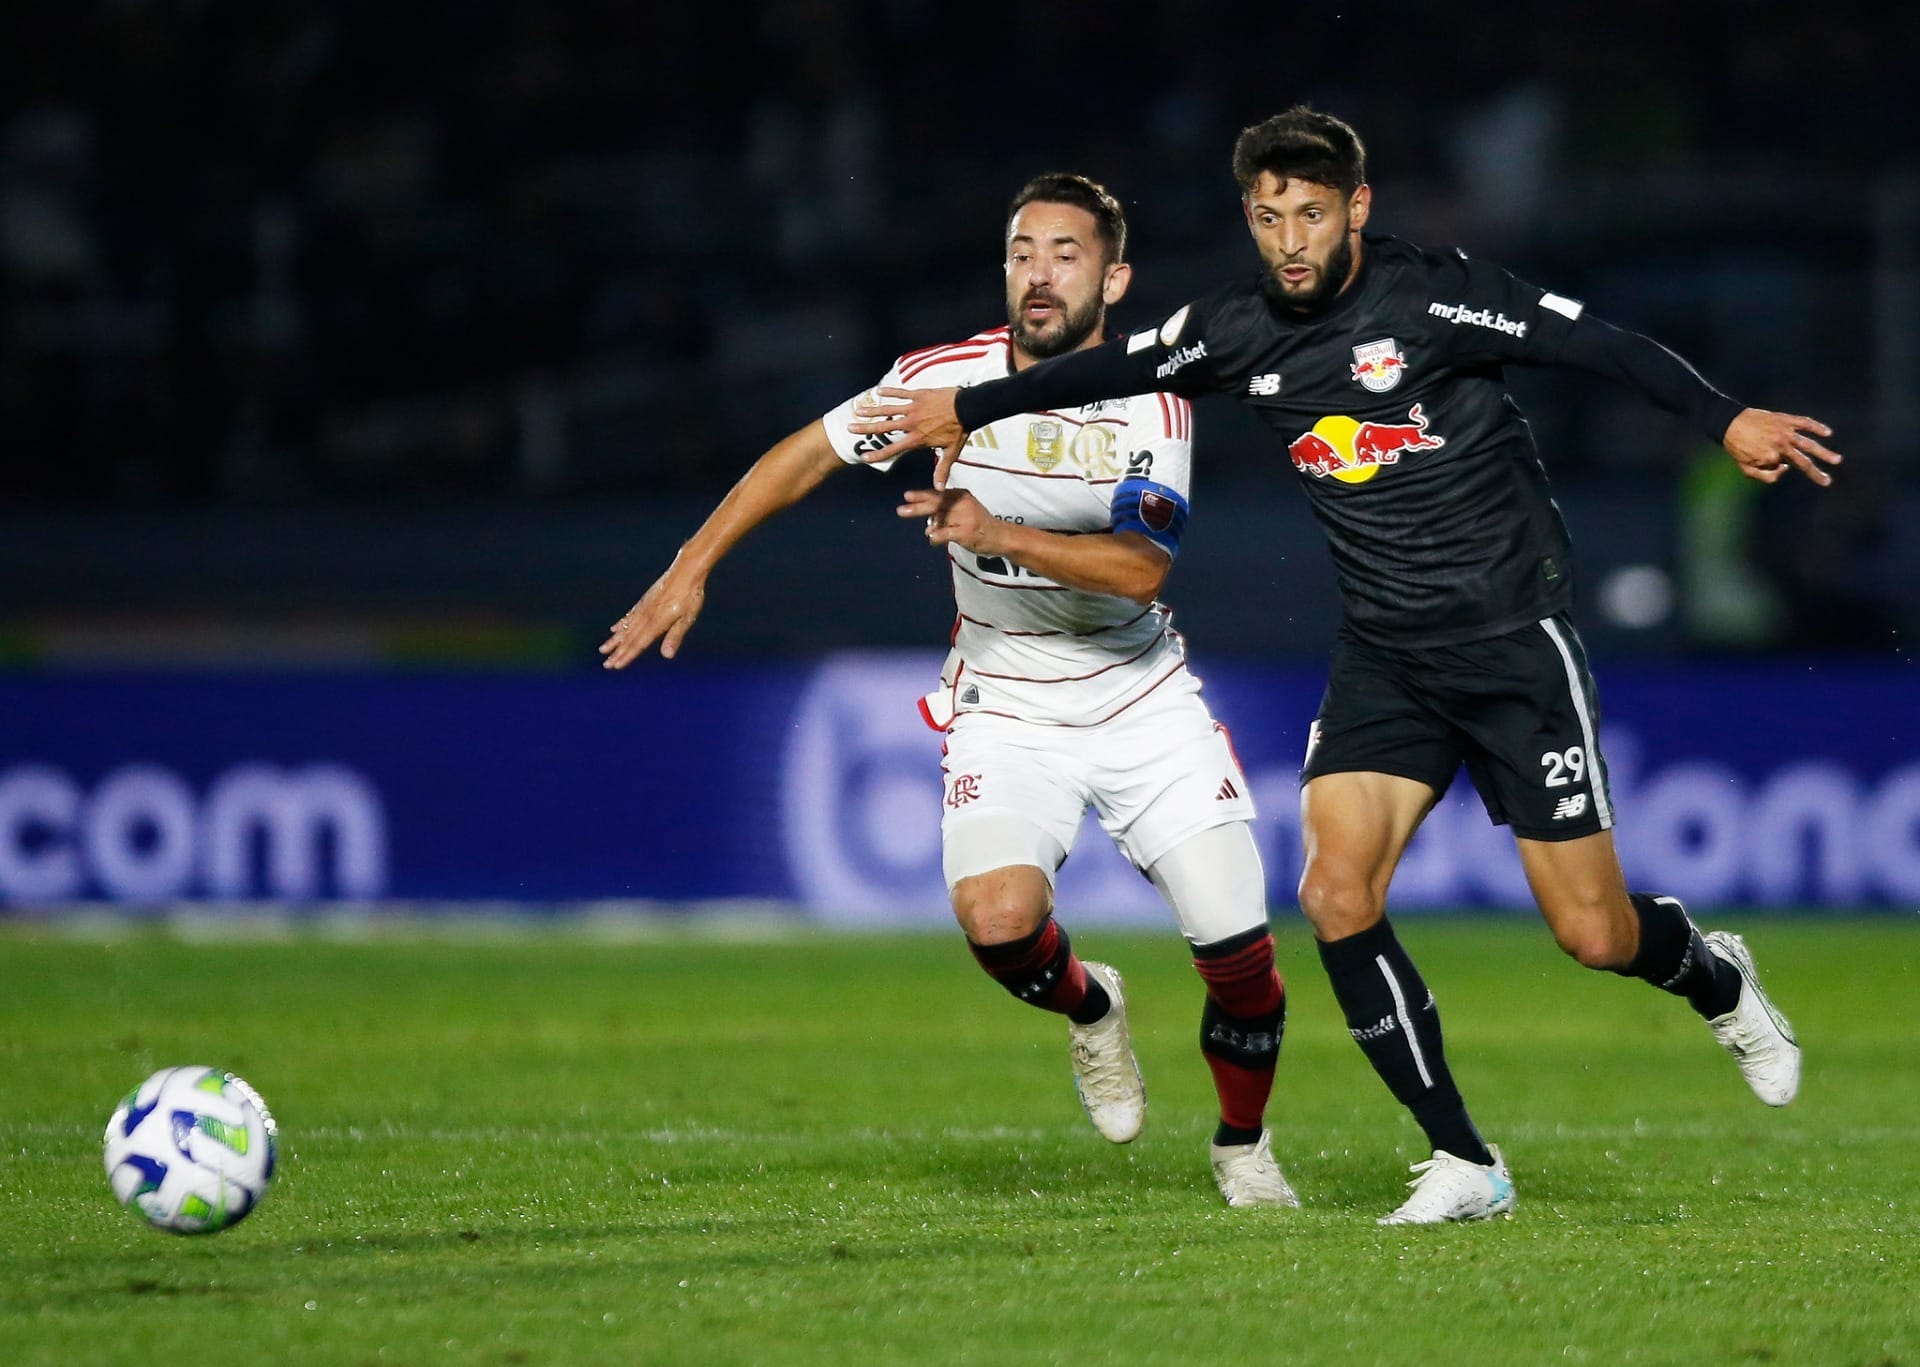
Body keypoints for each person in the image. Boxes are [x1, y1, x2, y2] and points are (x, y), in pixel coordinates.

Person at [849, 109, 1836, 1225]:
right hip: (1386, 655)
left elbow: (1597, 341)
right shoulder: (1233, 331)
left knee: (1595, 934)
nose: (1288, 241)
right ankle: (1466, 1158)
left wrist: (1724, 416)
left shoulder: (1436, 296)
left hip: (1513, 646)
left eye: (1310, 215)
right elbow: (1109, 364)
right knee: (1332, 891)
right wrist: (965, 405)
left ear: (1357, 209)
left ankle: (1716, 976)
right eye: (1267, 217)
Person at [601, 173, 1300, 1209]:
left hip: (1140, 694)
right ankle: (1092, 1007)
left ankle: (1243, 1144)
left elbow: (1143, 568)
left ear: (1114, 278)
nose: (1039, 273)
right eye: (1023, 251)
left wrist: (996, 529)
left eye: (1065, 254)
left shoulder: (1152, 393)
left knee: (1237, 947)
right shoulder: (944, 379)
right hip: (1007, 698)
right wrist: (692, 561)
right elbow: (808, 453)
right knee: (999, 920)